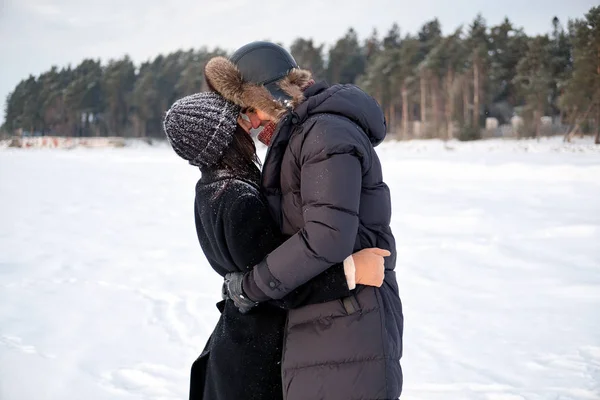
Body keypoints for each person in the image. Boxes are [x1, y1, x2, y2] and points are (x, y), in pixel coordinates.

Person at [204, 41, 404, 400]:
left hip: (350, 318)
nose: (250, 123)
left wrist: (251, 286)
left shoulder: (324, 134)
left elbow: (326, 236)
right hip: (330, 315)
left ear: (272, 95)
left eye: (250, 108)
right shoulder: (304, 134)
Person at [163, 92, 390, 400]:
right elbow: (280, 283)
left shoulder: (210, 189)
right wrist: (350, 272)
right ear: (223, 138)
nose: (251, 124)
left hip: (244, 343)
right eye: (240, 121)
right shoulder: (236, 199)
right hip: (254, 359)